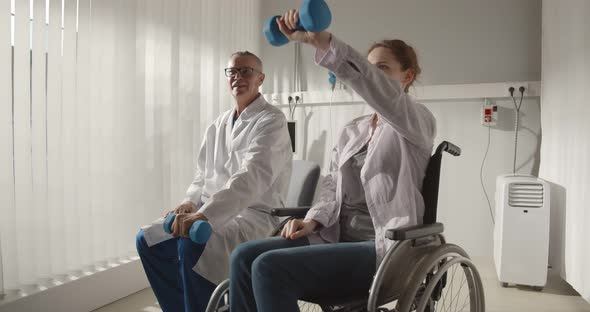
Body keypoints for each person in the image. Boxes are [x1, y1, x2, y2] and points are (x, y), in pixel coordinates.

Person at [229, 9, 436, 312]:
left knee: (268, 267)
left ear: (406, 77)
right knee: (244, 257)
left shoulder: (417, 122)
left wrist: (321, 41)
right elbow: (331, 186)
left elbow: (381, 92)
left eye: (382, 69)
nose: (373, 76)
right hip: (336, 237)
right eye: (371, 68)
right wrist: (313, 219)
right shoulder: (353, 130)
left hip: (382, 248)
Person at [135, 51, 293, 312]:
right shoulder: (218, 124)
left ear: (260, 78)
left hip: (253, 216)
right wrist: (189, 202)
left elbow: (250, 178)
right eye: (232, 71)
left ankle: (207, 305)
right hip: (208, 212)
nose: (238, 77)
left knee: (192, 244)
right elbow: (201, 175)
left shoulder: (271, 121)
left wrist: (205, 215)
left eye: (246, 71)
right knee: (147, 240)